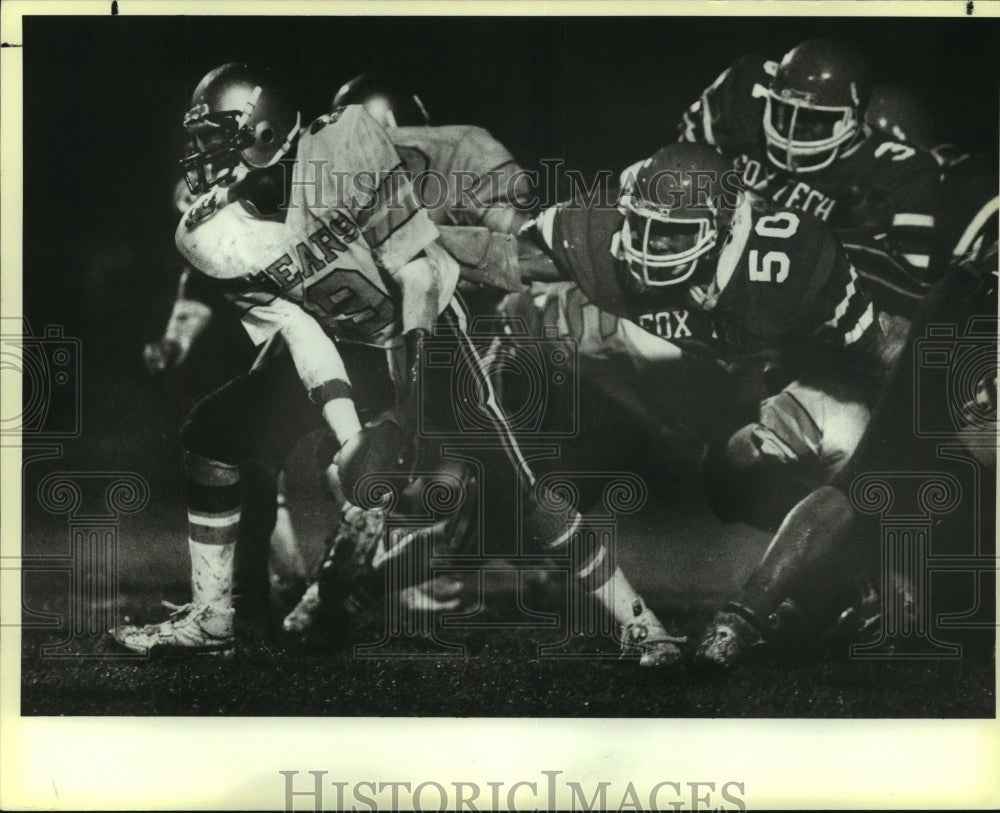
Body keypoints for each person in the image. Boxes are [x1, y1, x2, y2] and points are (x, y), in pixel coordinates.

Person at [109, 62, 675, 667]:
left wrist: (413, 383)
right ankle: (215, 617)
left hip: (423, 322)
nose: (203, 156)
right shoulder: (209, 234)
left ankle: (643, 625)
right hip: (343, 341)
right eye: (200, 141)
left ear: (266, 132)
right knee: (214, 432)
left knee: (517, 481)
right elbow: (300, 332)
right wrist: (352, 436)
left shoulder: (344, 148)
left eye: (217, 138)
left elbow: (419, 270)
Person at [678, 39, 942, 307]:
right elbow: (673, 181)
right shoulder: (744, 95)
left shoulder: (902, 171)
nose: (794, 132)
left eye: (816, 119)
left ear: (855, 120)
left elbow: (898, 305)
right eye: (784, 111)